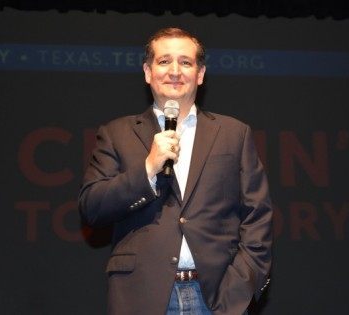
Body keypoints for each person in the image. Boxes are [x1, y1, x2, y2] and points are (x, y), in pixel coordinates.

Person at [79, 27, 272, 315]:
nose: (175, 71)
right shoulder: (116, 133)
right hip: (142, 297)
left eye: (185, 62)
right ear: (147, 72)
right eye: (164, 61)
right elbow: (92, 207)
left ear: (200, 73)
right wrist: (148, 168)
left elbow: (257, 216)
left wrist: (240, 287)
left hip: (217, 299)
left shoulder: (234, 133)